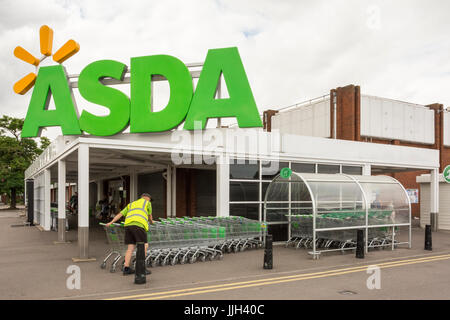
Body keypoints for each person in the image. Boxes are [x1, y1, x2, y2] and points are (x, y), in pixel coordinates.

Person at [106, 193, 154, 275]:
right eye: (149, 199)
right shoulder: (147, 203)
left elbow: (120, 214)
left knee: (130, 248)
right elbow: (150, 216)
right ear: (147, 198)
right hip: (139, 225)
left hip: (128, 226)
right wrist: (151, 222)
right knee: (144, 246)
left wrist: (111, 222)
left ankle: (126, 268)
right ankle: (141, 268)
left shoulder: (131, 204)